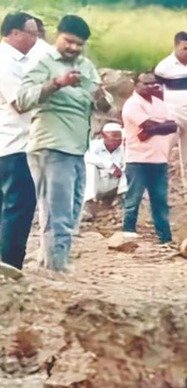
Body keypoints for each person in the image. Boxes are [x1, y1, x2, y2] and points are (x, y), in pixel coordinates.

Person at [16, 14, 111, 272]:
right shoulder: (43, 63)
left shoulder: (86, 66)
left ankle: (52, 262)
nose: (73, 48)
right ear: (58, 35)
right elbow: (23, 99)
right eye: (69, 41)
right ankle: (56, 268)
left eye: (79, 44)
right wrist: (57, 83)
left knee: (72, 211)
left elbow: (105, 105)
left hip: (77, 148)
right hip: (51, 146)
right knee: (55, 212)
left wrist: (100, 96)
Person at [0, 10, 38, 272]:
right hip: (16, 143)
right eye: (31, 33)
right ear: (14, 33)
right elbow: (20, 104)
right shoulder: (5, 61)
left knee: (12, 207)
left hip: (17, 143)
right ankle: (10, 267)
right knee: (18, 207)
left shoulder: (22, 61)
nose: (35, 38)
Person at [121, 70, 177, 244]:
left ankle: (165, 239)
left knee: (160, 201)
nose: (151, 86)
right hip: (137, 160)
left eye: (153, 83)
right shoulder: (132, 104)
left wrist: (150, 130)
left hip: (159, 160)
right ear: (135, 84)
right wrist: (158, 126)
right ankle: (128, 235)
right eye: (146, 83)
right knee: (133, 200)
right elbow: (148, 124)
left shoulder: (160, 103)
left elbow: (173, 126)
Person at [154, 31, 187, 203]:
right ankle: (159, 193)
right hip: (171, 116)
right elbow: (156, 92)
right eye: (185, 48)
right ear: (176, 46)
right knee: (163, 154)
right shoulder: (163, 67)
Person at [83, 122, 125, 213]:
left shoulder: (122, 148)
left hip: (115, 186)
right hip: (97, 185)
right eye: (114, 136)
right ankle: (88, 203)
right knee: (90, 166)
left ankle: (121, 199)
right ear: (104, 136)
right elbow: (88, 158)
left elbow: (125, 166)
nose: (118, 139)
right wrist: (111, 167)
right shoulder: (93, 145)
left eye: (119, 136)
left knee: (131, 167)